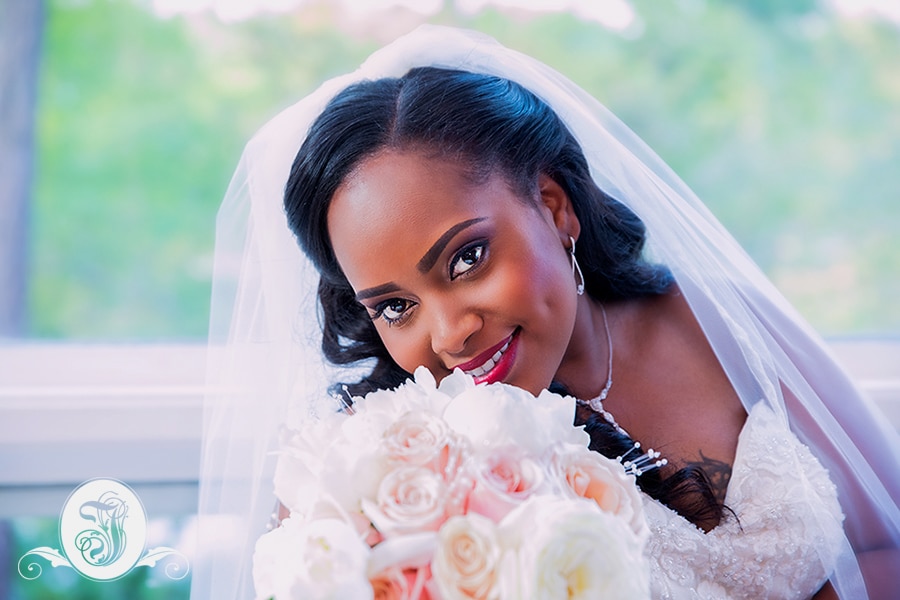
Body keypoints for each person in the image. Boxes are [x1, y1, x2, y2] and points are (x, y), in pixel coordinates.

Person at [192, 26, 900, 599]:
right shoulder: (373, 480)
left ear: (555, 205)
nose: (448, 333)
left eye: (466, 259)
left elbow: (885, 539)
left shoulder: (721, 321)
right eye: (397, 305)